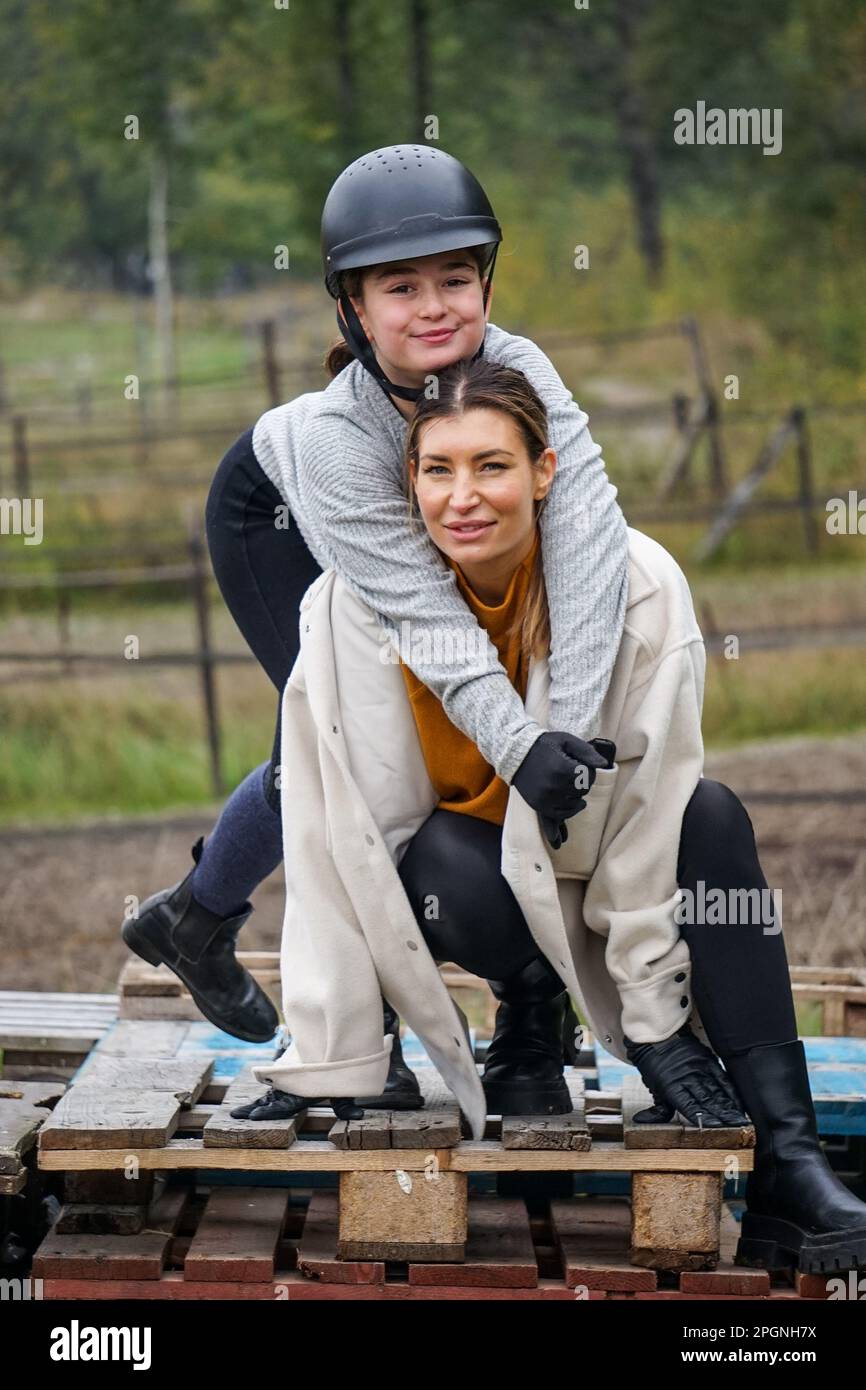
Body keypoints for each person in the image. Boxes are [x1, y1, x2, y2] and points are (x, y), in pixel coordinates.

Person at [237, 357, 866, 1276]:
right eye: (437, 469)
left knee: (714, 817)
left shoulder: (640, 583)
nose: (463, 498)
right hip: (464, 886)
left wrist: (656, 1030)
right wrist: (336, 1049)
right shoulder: (348, 606)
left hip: (596, 868)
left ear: (544, 471)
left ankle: (790, 1169)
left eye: (491, 465)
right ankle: (528, 1006)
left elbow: (651, 812)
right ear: (408, 481)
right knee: (437, 853)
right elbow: (344, 841)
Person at [121, 144, 629, 1108]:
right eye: (402, 287)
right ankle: (356, 1043)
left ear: (489, 279)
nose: (435, 306)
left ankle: (197, 916)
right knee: (342, 755)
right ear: (351, 306)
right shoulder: (336, 440)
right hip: (275, 516)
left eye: (457, 278)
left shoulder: (519, 367)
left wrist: (569, 720)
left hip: (427, 503)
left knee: (470, 729)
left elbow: (589, 531)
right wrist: (520, 744)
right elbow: (431, 624)